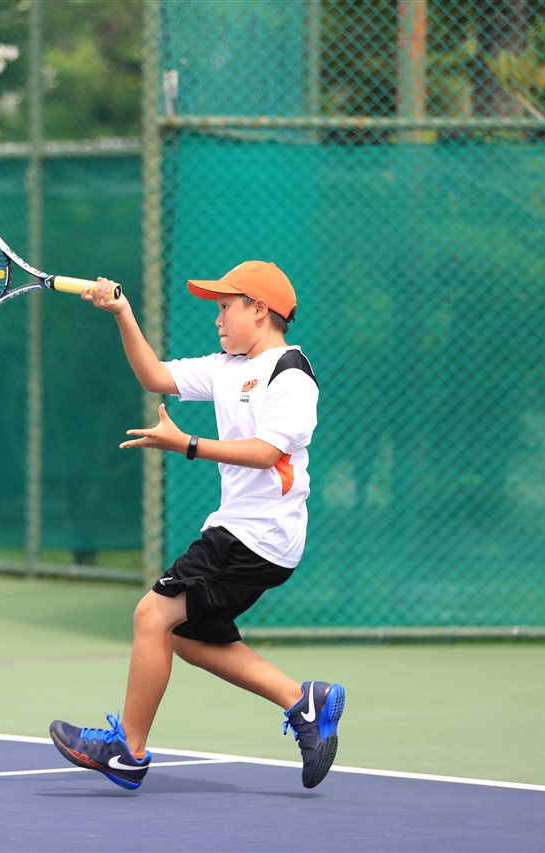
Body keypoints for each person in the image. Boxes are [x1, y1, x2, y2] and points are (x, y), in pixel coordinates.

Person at [48, 260, 344, 791]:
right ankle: (303, 702)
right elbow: (154, 377)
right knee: (183, 635)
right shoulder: (227, 367)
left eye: (226, 307)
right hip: (244, 532)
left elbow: (266, 451)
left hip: (257, 534)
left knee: (151, 614)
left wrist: (185, 443)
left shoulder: (291, 374)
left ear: (260, 309)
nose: (218, 319)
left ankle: (127, 751)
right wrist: (121, 312)